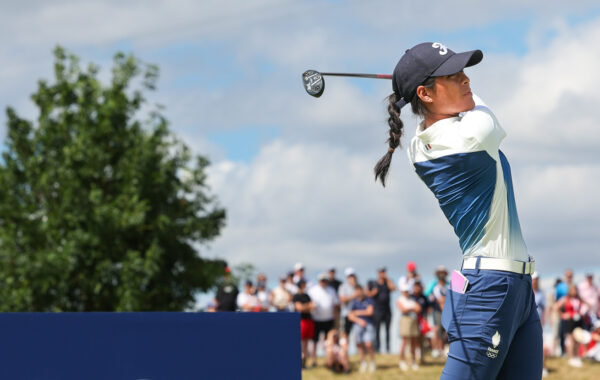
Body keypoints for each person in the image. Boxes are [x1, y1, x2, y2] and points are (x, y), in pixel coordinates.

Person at [374, 42, 541, 379]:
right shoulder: (467, 136)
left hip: (517, 288)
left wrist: (426, 89)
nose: (467, 80)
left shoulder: (431, 138)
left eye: (464, 73)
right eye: (454, 75)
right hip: (487, 290)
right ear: (426, 93)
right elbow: (483, 111)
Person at [307, 273, 340, 367]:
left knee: (328, 341)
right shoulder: (312, 291)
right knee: (314, 341)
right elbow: (309, 304)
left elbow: (335, 306)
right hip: (316, 319)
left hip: (329, 319)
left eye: (325, 280)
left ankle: (328, 360)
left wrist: (335, 319)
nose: (323, 282)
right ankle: (314, 360)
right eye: (322, 280)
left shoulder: (331, 290)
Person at [554, 284, 587, 368]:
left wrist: (582, 313)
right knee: (571, 339)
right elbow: (556, 307)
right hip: (570, 321)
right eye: (573, 290)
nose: (574, 291)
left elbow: (586, 305)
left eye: (575, 290)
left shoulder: (579, 299)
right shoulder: (566, 299)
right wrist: (563, 315)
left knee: (578, 339)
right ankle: (572, 357)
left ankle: (577, 356)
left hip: (578, 320)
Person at [348, 284, 377, 373]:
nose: (358, 293)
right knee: (359, 344)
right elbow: (350, 316)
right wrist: (358, 320)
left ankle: (372, 362)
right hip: (358, 325)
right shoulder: (354, 302)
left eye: (360, 290)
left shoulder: (369, 300)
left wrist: (357, 312)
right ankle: (363, 362)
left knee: (368, 344)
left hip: (368, 324)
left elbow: (370, 312)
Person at [367, 267, 396, 353]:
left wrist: (387, 279)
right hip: (377, 310)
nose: (382, 274)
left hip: (387, 310)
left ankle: (387, 349)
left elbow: (393, 288)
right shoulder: (373, 283)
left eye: (383, 272)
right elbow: (367, 294)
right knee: (377, 330)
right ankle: (377, 348)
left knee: (387, 330)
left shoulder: (388, 282)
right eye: (381, 272)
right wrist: (374, 292)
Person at [397, 282, 421, 371]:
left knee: (414, 342)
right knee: (404, 341)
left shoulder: (412, 299)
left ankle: (413, 361)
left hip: (413, 320)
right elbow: (403, 310)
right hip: (405, 320)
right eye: (405, 291)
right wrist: (412, 308)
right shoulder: (400, 299)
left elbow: (418, 309)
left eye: (407, 291)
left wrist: (410, 309)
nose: (406, 292)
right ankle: (402, 361)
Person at [293, 279, 315, 368]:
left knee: (306, 343)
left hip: (308, 320)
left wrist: (304, 307)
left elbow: (313, 306)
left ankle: (304, 363)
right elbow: (299, 308)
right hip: (301, 321)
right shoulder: (296, 296)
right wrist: (307, 306)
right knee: (300, 343)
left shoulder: (307, 295)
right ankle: (299, 362)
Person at [430, 265, 448, 358]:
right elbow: (440, 300)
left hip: (446, 311)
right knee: (438, 330)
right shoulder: (435, 286)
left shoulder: (448, 285)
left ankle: (443, 349)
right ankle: (438, 349)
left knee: (445, 331)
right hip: (438, 311)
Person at [532, 272, 548, 377]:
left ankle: (543, 367)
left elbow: (544, 309)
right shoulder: (526, 291)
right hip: (527, 324)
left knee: (541, 345)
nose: (536, 281)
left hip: (538, 323)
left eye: (537, 279)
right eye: (534, 279)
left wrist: (544, 320)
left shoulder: (541, 294)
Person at [338, 267, 358, 336]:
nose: (351, 277)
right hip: (346, 314)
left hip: (357, 314)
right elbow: (343, 299)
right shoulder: (343, 287)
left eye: (352, 275)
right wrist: (353, 296)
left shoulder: (358, 286)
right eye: (350, 276)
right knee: (345, 335)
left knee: (358, 337)